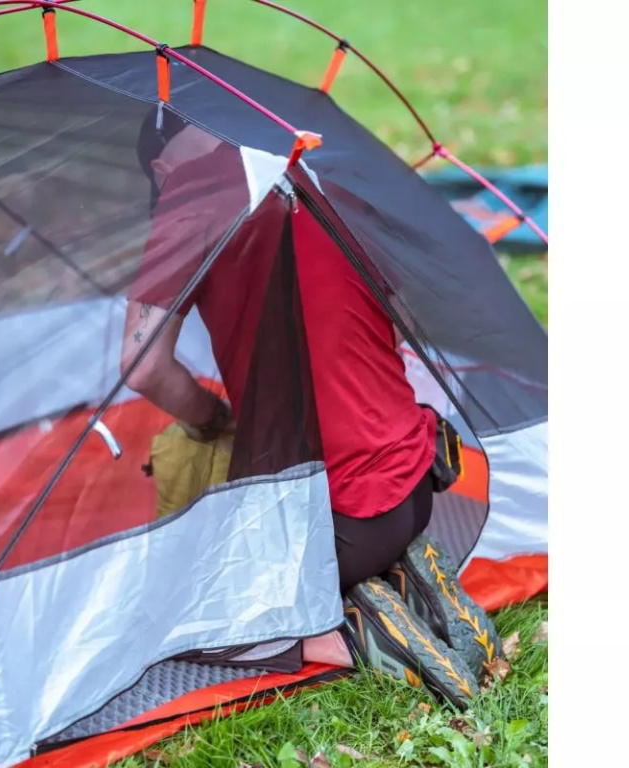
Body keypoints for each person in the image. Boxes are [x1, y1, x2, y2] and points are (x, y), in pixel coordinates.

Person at [123, 107, 499, 707]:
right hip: (415, 482)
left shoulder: (189, 192)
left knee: (178, 607)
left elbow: (142, 365)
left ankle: (351, 634)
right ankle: (403, 570)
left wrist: (213, 418)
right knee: (356, 492)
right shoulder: (317, 171)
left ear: (162, 169)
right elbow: (398, 317)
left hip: (343, 518)